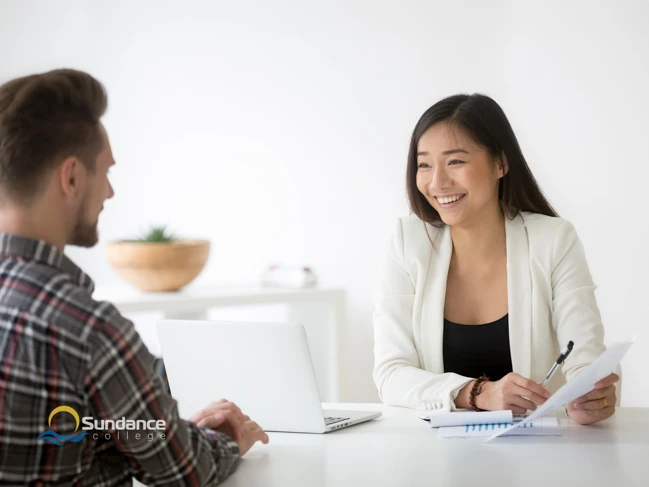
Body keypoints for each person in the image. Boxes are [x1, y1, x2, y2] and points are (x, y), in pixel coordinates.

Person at [0, 69, 268, 485]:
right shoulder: (88, 330)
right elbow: (186, 471)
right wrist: (222, 439)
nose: (110, 192)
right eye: (105, 172)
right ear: (71, 177)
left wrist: (162, 432)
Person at [373, 94, 618, 425]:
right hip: (432, 455)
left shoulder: (554, 240)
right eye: (424, 164)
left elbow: (584, 355)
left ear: (500, 163)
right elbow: (391, 374)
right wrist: (477, 393)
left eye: (455, 162)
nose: (436, 182)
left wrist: (589, 396)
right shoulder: (408, 242)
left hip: (538, 458)